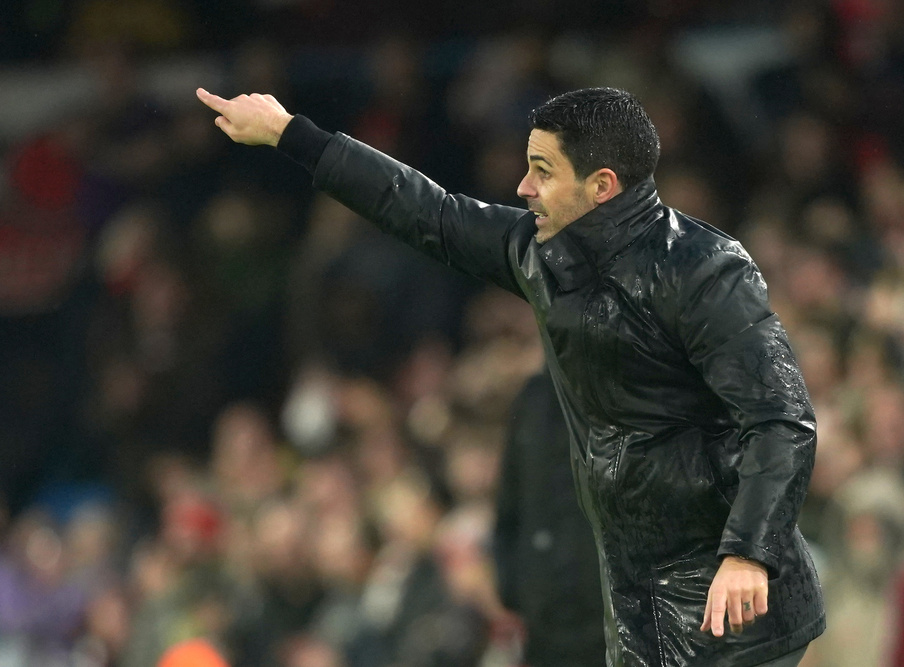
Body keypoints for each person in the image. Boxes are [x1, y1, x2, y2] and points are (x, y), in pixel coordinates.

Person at [196, 85, 825, 667]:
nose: (522, 187)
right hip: (634, 599)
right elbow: (426, 211)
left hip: (730, 596)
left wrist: (748, 552)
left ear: (602, 185)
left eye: (542, 171)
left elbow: (781, 419)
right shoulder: (538, 253)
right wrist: (291, 134)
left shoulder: (704, 271)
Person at [494, 370, 606, 667]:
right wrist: (514, 591)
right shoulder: (533, 396)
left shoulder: (614, 384)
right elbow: (509, 505)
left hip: (607, 616)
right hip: (545, 620)